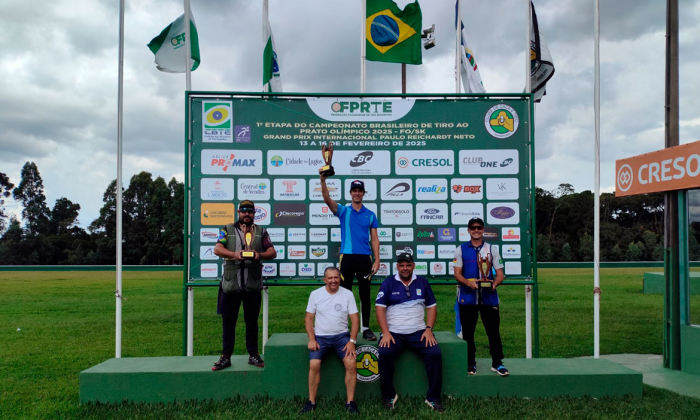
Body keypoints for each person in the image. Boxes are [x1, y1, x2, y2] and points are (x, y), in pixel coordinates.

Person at [211, 199, 277, 371]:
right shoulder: (227, 229)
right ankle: (226, 357)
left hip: (252, 285)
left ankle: (253, 355)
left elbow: (272, 252)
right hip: (231, 285)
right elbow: (217, 249)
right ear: (238, 212)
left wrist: (258, 254)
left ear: (254, 214)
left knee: (252, 322)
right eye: (244, 210)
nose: (247, 214)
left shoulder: (261, 232)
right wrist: (234, 254)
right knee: (228, 322)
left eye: (250, 211)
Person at [375, 253, 444, 412]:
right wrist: (385, 332)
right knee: (384, 354)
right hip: (394, 333)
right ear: (397, 267)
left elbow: (432, 307)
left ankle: (433, 398)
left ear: (413, 265)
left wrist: (428, 329)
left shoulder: (422, 282)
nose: (405, 268)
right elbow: (379, 309)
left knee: (435, 353)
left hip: (419, 332)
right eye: (401, 265)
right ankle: (389, 396)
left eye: (408, 265)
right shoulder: (388, 283)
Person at [320, 175, 380, 341]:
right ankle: (343, 327)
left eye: (360, 191)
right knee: (344, 293)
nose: (357, 193)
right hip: (347, 257)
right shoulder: (343, 211)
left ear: (363, 193)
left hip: (365, 258)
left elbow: (374, 239)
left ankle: (366, 328)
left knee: (365, 293)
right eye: (354, 190)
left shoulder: (370, 214)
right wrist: (323, 181)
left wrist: (377, 259)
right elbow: (327, 199)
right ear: (350, 193)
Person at [300, 267, 360, 414]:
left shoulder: (347, 294)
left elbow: (355, 318)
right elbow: (308, 318)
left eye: (336, 278)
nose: (333, 280)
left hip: (342, 337)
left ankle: (350, 402)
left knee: (351, 363)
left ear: (340, 278)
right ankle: (311, 402)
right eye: (330, 278)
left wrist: (352, 341)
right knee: (314, 364)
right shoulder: (316, 294)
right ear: (325, 279)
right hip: (321, 337)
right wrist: (312, 339)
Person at [453, 217, 508, 376]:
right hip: (468, 298)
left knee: (493, 332)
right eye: (473, 228)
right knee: (468, 333)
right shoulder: (461, 249)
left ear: (483, 229)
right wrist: (469, 283)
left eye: (479, 227)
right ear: (469, 230)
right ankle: (470, 363)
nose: (476, 230)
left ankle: (497, 363)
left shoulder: (492, 249)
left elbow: (500, 274)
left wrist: (494, 284)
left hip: (489, 297)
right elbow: (457, 274)